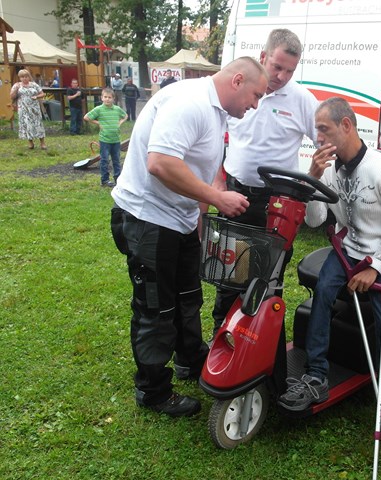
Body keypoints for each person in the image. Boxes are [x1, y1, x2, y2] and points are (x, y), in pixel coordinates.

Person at [109, 57, 268, 418]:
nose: (255, 104)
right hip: (148, 219)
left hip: (178, 220)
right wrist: (217, 198)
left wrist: (197, 215)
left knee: (188, 297)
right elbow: (161, 163)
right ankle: (153, 391)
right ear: (237, 80)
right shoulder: (190, 103)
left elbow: (196, 165)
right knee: (156, 307)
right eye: (256, 95)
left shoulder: (216, 112)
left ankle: (190, 360)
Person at [277, 97, 381, 448]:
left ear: (347, 126)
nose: (317, 138)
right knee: (323, 294)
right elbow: (314, 220)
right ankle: (317, 376)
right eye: (316, 132)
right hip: (345, 250)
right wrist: (311, 178)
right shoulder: (326, 167)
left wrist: (374, 269)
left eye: (323, 130)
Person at [210, 28, 318, 336]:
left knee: (270, 278)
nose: (282, 76)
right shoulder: (238, 90)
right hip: (235, 195)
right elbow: (216, 138)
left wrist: (314, 175)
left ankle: (264, 342)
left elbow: (325, 142)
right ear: (263, 57)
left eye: (290, 70)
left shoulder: (301, 100)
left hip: (277, 203)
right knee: (231, 271)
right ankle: (223, 336)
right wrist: (219, 183)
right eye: (277, 67)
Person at [83, 87, 128, 187]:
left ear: (113, 99)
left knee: (116, 160)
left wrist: (120, 122)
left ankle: (118, 178)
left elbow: (125, 115)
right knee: (104, 160)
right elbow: (86, 117)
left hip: (116, 140)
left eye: (109, 97)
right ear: (102, 98)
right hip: (105, 140)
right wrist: (97, 122)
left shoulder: (116, 109)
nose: (107, 99)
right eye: (105, 97)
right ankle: (105, 180)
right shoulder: (99, 109)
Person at [9, 69, 47, 150]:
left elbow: (43, 93)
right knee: (27, 124)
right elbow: (12, 97)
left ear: (29, 77)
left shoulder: (33, 85)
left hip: (34, 109)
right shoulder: (17, 85)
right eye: (22, 77)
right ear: (20, 78)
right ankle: (30, 142)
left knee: (38, 124)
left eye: (26, 76)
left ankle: (42, 142)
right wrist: (15, 90)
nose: (24, 78)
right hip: (23, 109)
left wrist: (36, 97)